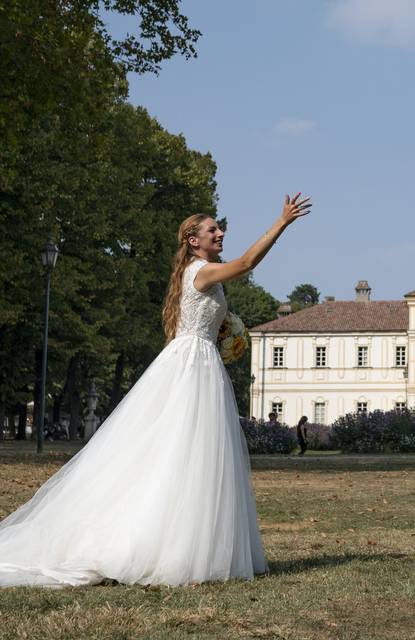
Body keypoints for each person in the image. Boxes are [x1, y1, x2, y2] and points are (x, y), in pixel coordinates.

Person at [0, 193, 311, 587]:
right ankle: (159, 547)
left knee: (191, 453)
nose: (221, 232)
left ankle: (187, 544)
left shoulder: (198, 272)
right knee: (181, 450)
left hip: (198, 362)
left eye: (219, 227)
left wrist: (226, 331)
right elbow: (247, 263)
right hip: (192, 367)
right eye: (212, 229)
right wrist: (281, 222)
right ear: (193, 240)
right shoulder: (201, 270)